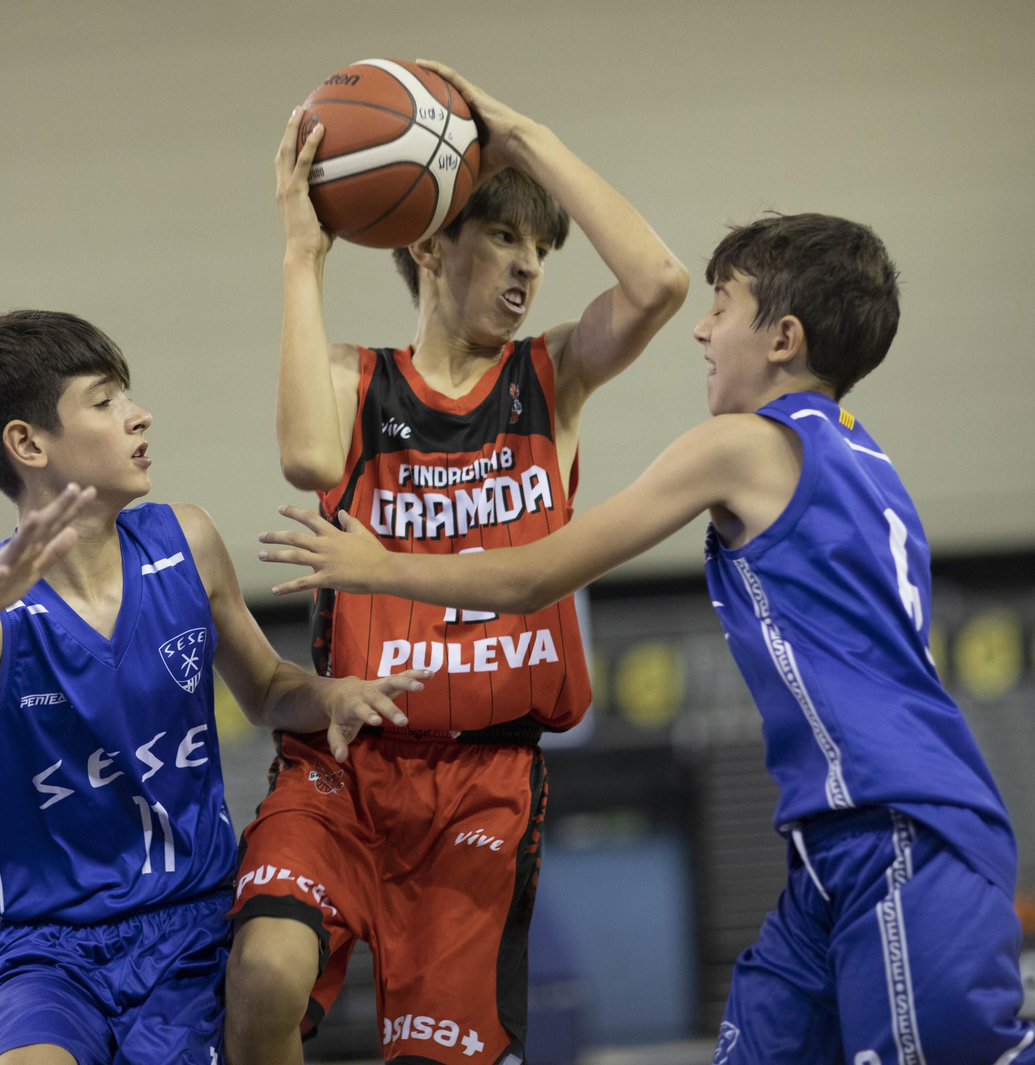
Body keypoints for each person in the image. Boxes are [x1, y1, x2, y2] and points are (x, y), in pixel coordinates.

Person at [259, 213, 1035, 1064]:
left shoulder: (745, 447)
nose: (703, 329)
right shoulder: (865, 458)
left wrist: (381, 565)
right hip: (831, 847)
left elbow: (534, 576)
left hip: (901, 824)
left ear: (784, 336)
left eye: (724, 306)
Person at [0, 311, 427, 1065]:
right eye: (103, 400)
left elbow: (264, 688)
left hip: (193, 922)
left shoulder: (186, 542)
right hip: (45, 953)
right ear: (28, 443)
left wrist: (328, 696)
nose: (138, 413)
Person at [226, 60, 689, 1065]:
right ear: (431, 244)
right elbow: (306, 457)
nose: (529, 268)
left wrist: (520, 136)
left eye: (542, 250)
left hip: (484, 781)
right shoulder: (358, 381)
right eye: (504, 238)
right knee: (261, 978)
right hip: (345, 767)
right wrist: (303, 255)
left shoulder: (551, 379)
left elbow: (658, 283)